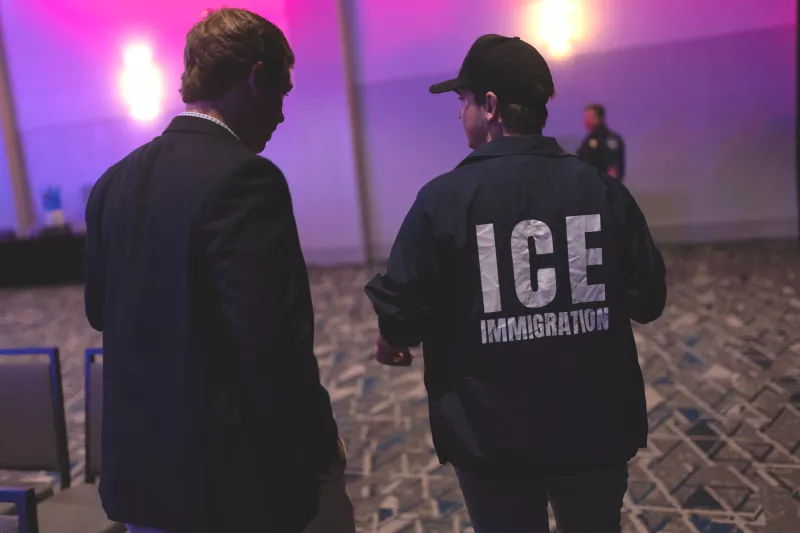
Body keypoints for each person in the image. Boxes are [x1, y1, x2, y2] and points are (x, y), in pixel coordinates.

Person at [365, 34, 666, 533]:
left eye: (462, 101)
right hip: (594, 427)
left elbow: (400, 311)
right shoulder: (603, 190)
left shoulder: (441, 201)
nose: (457, 113)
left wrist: (389, 340)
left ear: (490, 106)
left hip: (491, 436)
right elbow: (649, 300)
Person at [84, 8, 354, 533]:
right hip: (225, 487)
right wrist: (322, 450)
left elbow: (100, 313)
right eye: (283, 92)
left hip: (141, 481)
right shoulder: (245, 180)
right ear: (256, 78)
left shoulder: (111, 183)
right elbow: (273, 345)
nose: (280, 115)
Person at [577, 104, 626, 181]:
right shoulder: (589, 140)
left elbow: (613, 168)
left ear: (597, 118)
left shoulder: (609, 139)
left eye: (588, 117)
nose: (585, 121)